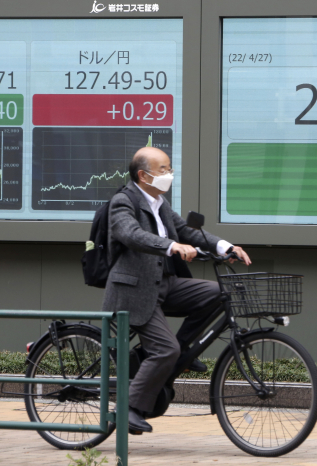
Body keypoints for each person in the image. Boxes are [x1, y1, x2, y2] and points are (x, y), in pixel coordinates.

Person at [100, 146, 251, 434]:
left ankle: (181, 353)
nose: (170, 175)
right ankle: (127, 409)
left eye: (170, 169)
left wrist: (225, 247)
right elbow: (130, 234)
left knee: (218, 293)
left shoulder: (160, 203)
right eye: (164, 170)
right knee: (164, 349)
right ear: (143, 175)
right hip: (134, 291)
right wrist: (171, 246)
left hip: (164, 284)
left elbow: (187, 231)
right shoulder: (123, 201)